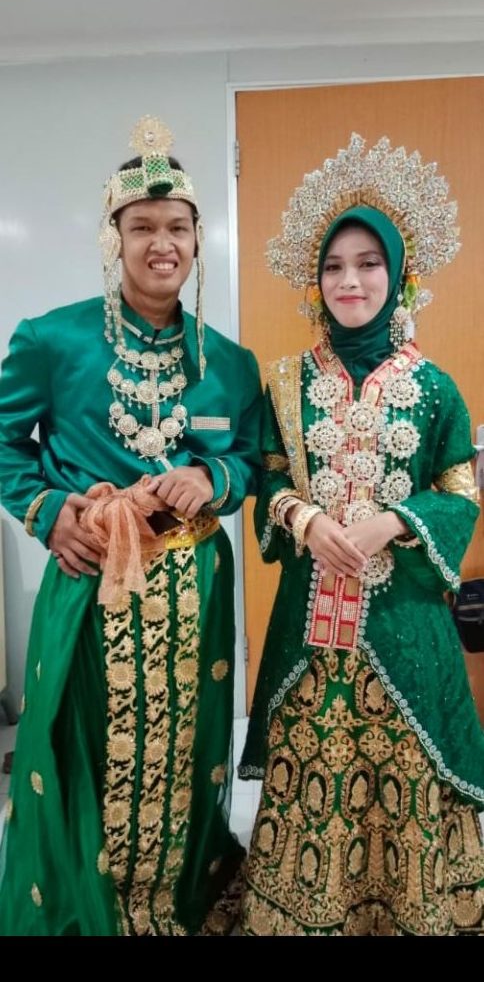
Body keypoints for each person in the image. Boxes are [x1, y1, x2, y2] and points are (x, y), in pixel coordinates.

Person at [0, 116, 262, 936]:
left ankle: (176, 896)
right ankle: (89, 909)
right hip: (91, 582)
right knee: (82, 746)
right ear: (113, 238)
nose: (162, 244)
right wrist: (49, 513)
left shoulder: (229, 362)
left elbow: (250, 459)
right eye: (142, 226)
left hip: (193, 590)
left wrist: (211, 478)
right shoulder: (52, 340)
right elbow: (4, 439)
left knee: (186, 752)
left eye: (177, 226)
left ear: (198, 240)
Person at [239, 134, 484, 936]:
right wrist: (303, 518)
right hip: (310, 630)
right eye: (335, 266)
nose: (350, 281)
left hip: (406, 624)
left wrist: (395, 521)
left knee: (406, 768)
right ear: (316, 282)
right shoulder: (286, 382)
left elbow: (462, 492)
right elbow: (268, 477)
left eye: (369, 263)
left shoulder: (435, 387)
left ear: (399, 274)